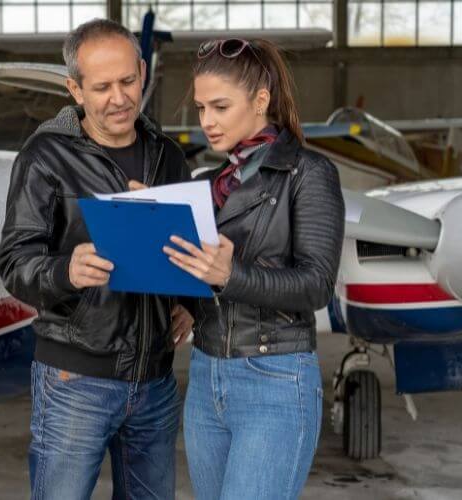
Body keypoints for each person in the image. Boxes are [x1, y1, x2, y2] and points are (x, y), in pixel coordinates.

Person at [0, 18, 194, 500]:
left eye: (128, 81)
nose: (119, 97)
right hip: (73, 381)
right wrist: (66, 271)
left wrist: (190, 303)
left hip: (155, 381)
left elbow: (186, 250)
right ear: (75, 89)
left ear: (143, 72)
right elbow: (14, 262)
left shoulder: (167, 156)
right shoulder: (45, 157)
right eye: (102, 86)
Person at [162, 38, 345, 499]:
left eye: (220, 107)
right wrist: (187, 302)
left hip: (276, 379)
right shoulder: (207, 184)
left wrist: (231, 275)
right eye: (202, 108)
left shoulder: (309, 174)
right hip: (205, 376)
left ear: (261, 100)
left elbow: (317, 285)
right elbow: (203, 272)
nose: (207, 121)